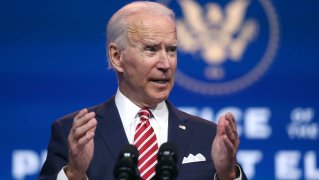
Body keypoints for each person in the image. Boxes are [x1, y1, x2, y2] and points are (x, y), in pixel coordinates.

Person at [39, 1, 247, 180]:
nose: (165, 63)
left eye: (172, 50)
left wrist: (227, 175)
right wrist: (74, 173)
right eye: (151, 49)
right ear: (117, 57)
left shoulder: (208, 136)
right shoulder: (74, 134)